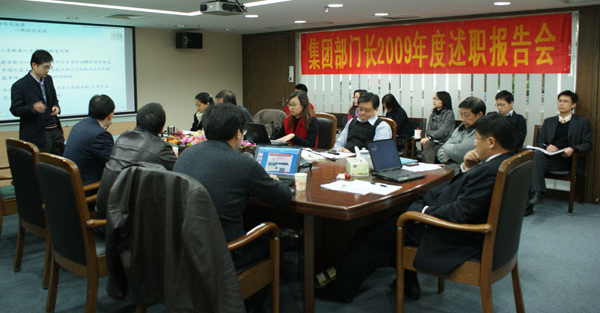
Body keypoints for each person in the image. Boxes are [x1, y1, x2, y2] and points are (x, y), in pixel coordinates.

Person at [317, 113, 516, 303]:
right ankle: (407, 280)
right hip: (459, 226)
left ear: (491, 142)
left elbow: (460, 212)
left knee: (367, 236)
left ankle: (341, 291)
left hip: (449, 234)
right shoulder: (507, 164)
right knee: (395, 215)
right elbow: (467, 195)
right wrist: (466, 168)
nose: (474, 143)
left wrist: (423, 211)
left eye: (478, 139)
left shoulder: (489, 172)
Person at [173, 103, 292, 270]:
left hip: (186, 248)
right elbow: (284, 197)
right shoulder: (243, 163)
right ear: (238, 133)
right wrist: (274, 181)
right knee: (277, 242)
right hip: (228, 252)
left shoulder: (186, 154)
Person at [95, 102, 177, 218]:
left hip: (103, 210)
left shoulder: (122, 138)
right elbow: (180, 173)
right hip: (126, 220)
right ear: (162, 128)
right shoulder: (160, 148)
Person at [527, 90, 592, 214]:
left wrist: (573, 149)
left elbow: (587, 144)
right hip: (549, 159)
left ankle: (536, 195)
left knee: (534, 163)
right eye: (560, 101)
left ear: (573, 105)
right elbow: (540, 141)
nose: (561, 104)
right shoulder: (549, 121)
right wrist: (547, 147)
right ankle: (537, 194)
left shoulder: (582, 122)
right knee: (535, 155)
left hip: (568, 161)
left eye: (565, 101)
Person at [10, 49, 65, 155]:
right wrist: (33, 108)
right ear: (34, 65)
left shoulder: (48, 79)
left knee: (60, 161)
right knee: (42, 163)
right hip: (37, 134)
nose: (47, 70)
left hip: (55, 130)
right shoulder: (20, 85)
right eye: (45, 67)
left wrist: (56, 106)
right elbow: (15, 109)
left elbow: (54, 98)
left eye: (49, 67)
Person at [63, 95, 115, 186]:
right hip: (87, 187)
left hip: (70, 183)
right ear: (110, 115)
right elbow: (115, 163)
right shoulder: (100, 135)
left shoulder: (78, 125)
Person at [437, 96, 486, 172]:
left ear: (479, 115)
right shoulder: (461, 127)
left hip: (467, 172)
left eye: (467, 115)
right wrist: (451, 158)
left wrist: (448, 150)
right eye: (461, 115)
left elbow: (461, 152)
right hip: (450, 168)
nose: (463, 119)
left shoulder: (482, 131)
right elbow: (440, 151)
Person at [420, 91, 455, 163]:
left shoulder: (449, 114)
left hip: (444, 142)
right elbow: (428, 131)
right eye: (434, 98)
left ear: (444, 100)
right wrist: (431, 137)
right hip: (433, 141)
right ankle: (431, 168)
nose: (434, 101)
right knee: (427, 145)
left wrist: (430, 137)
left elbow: (443, 131)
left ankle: (429, 167)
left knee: (426, 150)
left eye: (437, 99)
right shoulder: (433, 114)